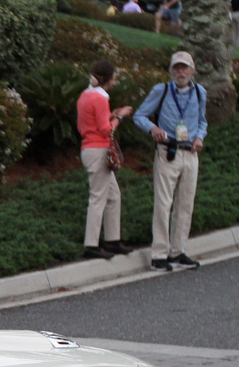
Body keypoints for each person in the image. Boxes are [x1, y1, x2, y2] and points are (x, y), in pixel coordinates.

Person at [134, 52, 208, 271]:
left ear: (192, 70)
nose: (180, 72)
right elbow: (140, 116)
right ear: (171, 71)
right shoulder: (162, 90)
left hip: (191, 154)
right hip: (168, 152)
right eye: (176, 68)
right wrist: (153, 128)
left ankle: (178, 251)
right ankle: (159, 254)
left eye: (184, 67)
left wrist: (199, 138)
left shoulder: (199, 92)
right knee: (163, 204)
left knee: (185, 204)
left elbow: (202, 121)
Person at [76, 60, 133, 259]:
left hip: (89, 149)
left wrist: (112, 114)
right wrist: (121, 117)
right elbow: (105, 129)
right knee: (98, 197)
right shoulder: (100, 99)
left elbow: (95, 121)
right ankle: (91, 244)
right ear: (109, 79)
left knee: (113, 196)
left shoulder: (86, 95)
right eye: (114, 77)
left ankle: (112, 240)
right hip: (98, 150)